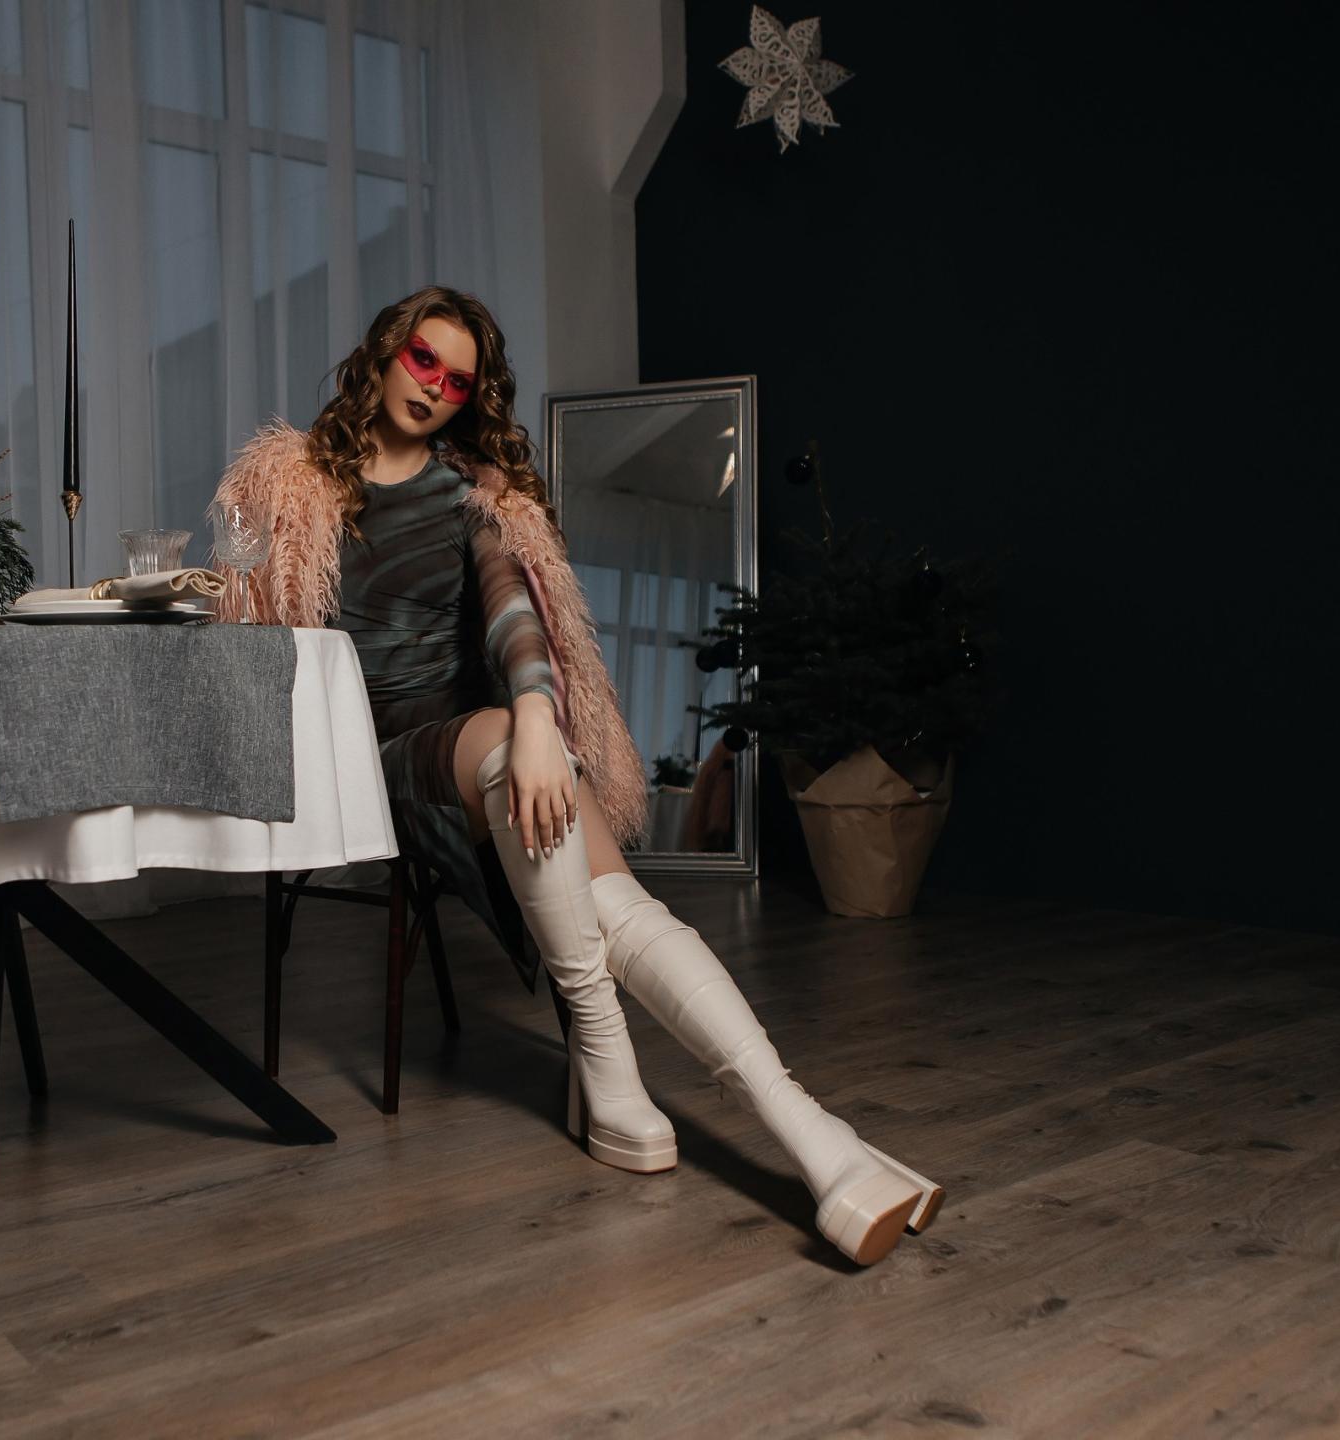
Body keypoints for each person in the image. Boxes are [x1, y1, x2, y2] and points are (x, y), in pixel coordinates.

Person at [209, 286, 940, 1266]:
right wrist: (523, 728)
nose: (432, 388)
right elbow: (247, 632)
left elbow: (513, 612)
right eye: (422, 360)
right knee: (527, 769)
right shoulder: (289, 480)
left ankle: (807, 1133)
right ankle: (614, 1062)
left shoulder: (470, 492)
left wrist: (537, 714)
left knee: (600, 871)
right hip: (353, 754)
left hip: (469, 741)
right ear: (384, 352)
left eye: (456, 381)